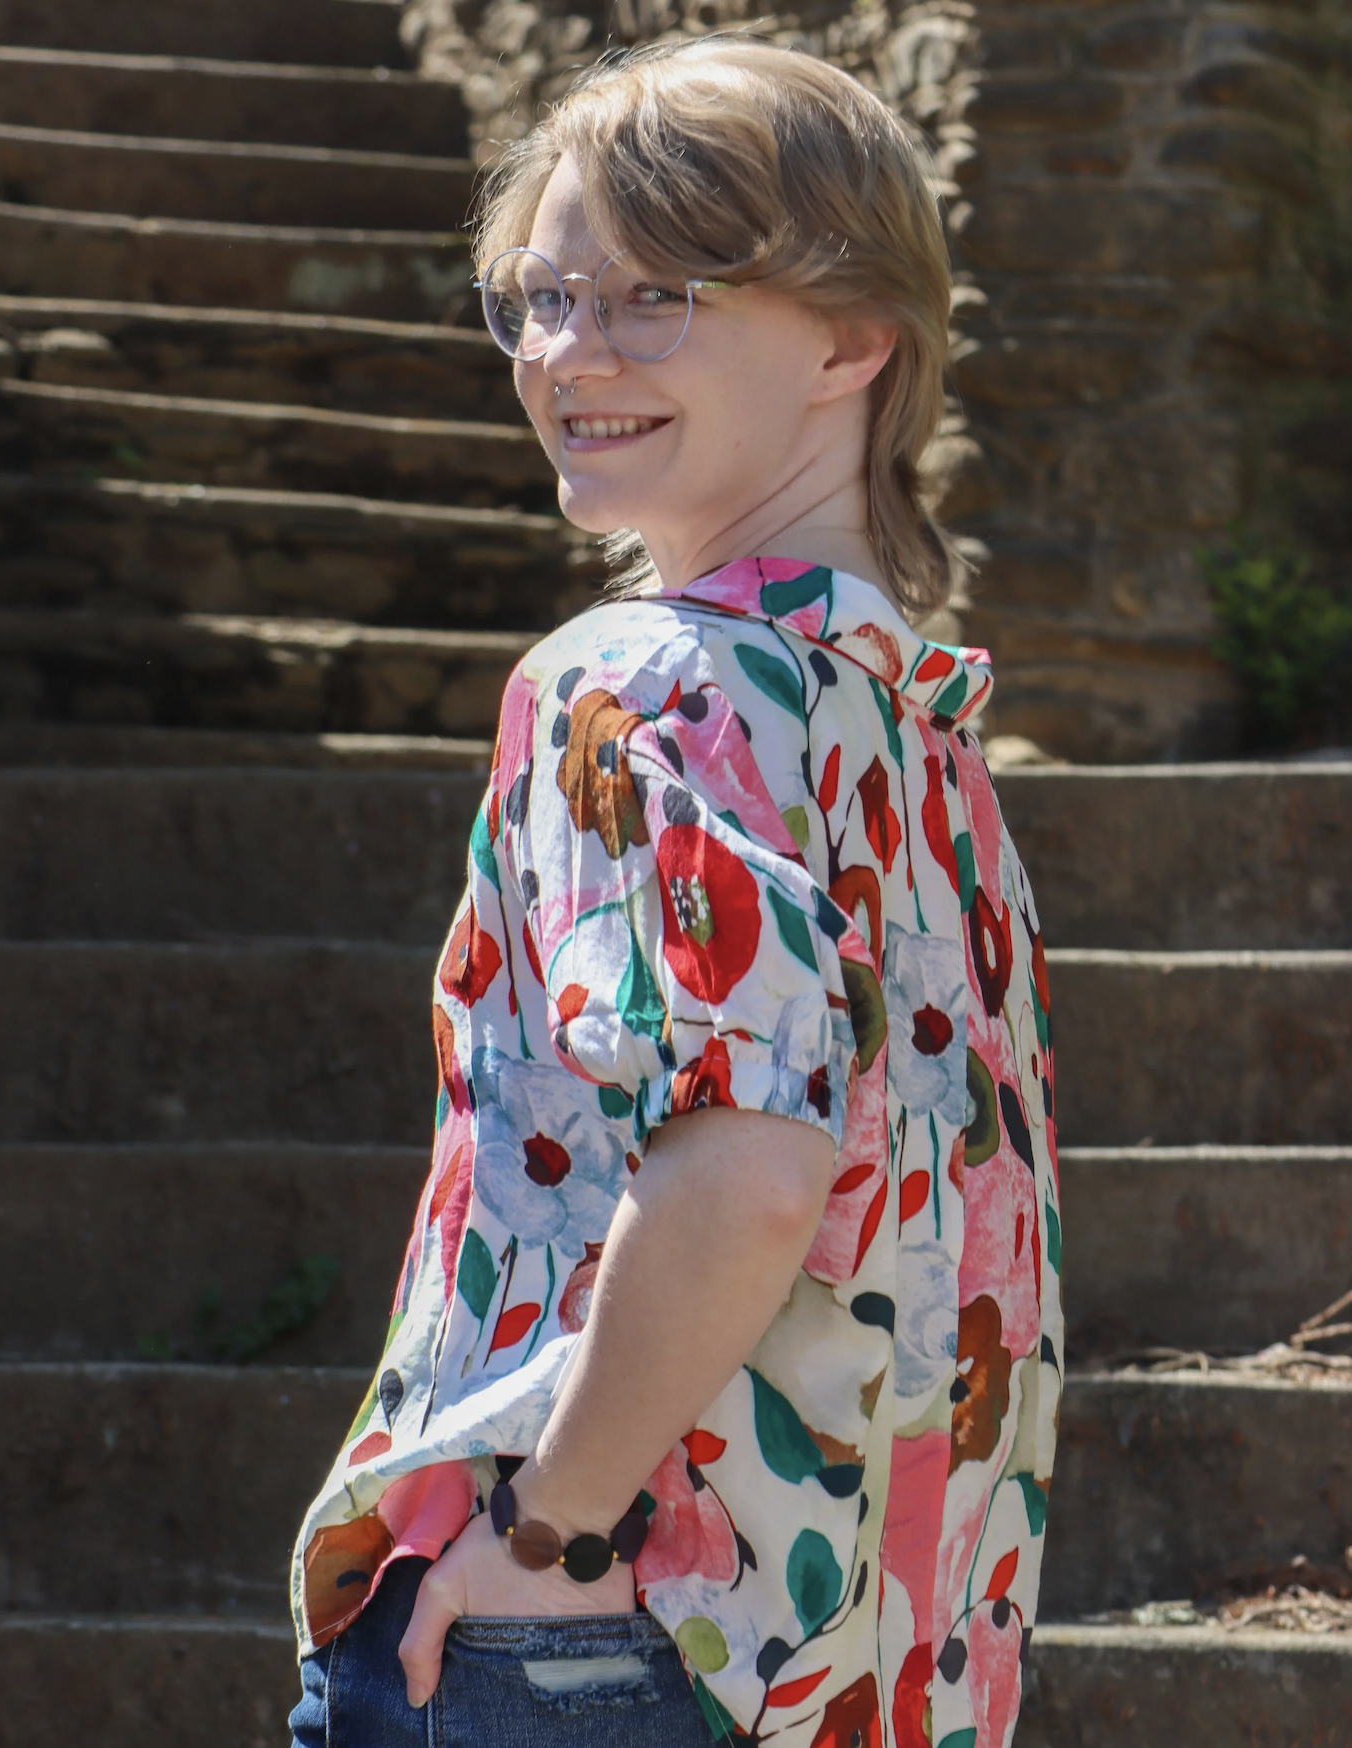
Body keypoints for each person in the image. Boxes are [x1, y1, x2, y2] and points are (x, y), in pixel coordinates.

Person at [288, 35, 1062, 1748]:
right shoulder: (910, 727)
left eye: (654, 297)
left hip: (604, 1617)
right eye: (541, 298)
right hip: (873, 1658)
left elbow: (747, 1167)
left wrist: (540, 1526)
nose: (572, 354)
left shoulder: (636, 690)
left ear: (854, 338)